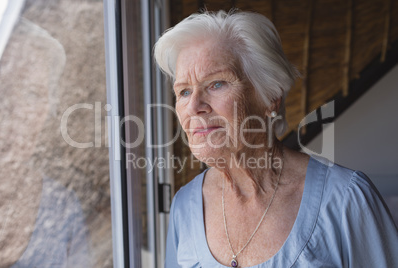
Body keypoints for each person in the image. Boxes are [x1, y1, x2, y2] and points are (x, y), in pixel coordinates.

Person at [154, 10, 398, 268]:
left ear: (271, 97)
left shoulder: (346, 199)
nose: (194, 106)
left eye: (216, 84)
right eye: (184, 91)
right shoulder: (185, 206)